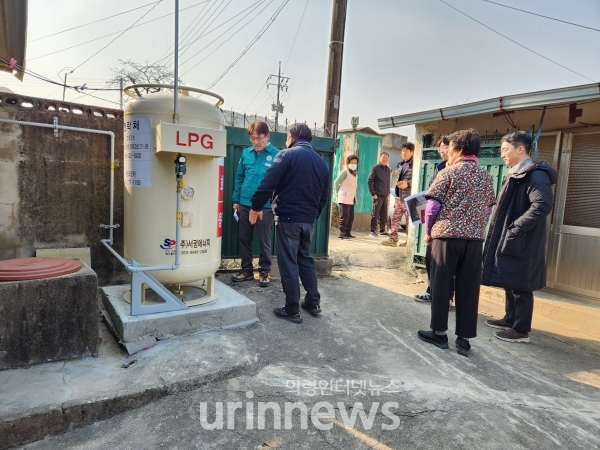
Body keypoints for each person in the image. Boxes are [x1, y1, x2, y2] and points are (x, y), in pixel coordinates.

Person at [417, 129, 496, 357]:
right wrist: (476, 228)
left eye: (449, 148)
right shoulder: (485, 176)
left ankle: (439, 334)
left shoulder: (448, 173)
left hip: (446, 237)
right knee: (469, 287)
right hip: (474, 240)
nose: (447, 153)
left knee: (442, 285)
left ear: (459, 150)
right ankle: (464, 340)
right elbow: (488, 209)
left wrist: (430, 232)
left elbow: (432, 207)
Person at [249, 123, 330, 324]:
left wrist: (255, 206)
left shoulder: (287, 155)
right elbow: (323, 197)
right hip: (308, 221)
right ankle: (313, 302)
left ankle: (292, 309)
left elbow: (268, 183)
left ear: (292, 137)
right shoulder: (321, 162)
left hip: (288, 219)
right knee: (305, 259)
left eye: (287, 137)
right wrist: (313, 215)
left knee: (288, 263)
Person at [482, 131, 557, 343]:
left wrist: (515, 228)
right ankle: (510, 318)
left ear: (520, 149)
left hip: (522, 239)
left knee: (521, 283)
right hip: (513, 236)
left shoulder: (535, 174)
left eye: (505, 150)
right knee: (510, 276)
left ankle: (521, 330)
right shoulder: (516, 172)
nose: (502, 154)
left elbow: (542, 205)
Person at [231, 120, 279, 287]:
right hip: (244, 203)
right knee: (244, 237)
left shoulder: (276, 155)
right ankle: (247, 270)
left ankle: (265, 270)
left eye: (259, 138)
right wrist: (236, 199)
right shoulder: (246, 154)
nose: (256, 142)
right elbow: (239, 177)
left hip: (265, 206)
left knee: (264, 239)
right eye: (252, 138)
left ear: (267, 136)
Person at [415, 136, 453, 303]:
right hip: (437, 221)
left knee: (443, 263)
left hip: (445, 224)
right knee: (431, 259)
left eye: (445, 147)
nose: (441, 151)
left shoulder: (453, 170)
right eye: (440, 148)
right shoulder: (440, 168)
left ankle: (442, 296)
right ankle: (432, 291)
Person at [382, 142, 414, 246]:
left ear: (412, 152)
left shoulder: (415, 164)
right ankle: (393, 239)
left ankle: (409, 242)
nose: (404, 153)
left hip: (409, 197)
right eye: (402, 151)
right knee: (395, 219)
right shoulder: (401, 164)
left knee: (409, 221)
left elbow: (417, 179)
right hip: (399, 197)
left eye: (406, 151)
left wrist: (408, 184)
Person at [334, 155, 359, 240]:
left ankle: (348, 233)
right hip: (344, 197)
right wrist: (339, 193)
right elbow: (336, 182)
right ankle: (342, 233)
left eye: (355, 163)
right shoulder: (345, 172)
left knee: (350, 217)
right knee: (344, 216)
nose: (354, 164)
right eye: (352, 163)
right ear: (348, 163)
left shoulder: (355, 174)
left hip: (351, 198)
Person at [367, 152, 391, 237]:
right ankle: (372, 230)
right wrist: (373, 193)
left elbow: (388, 182)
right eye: (383, 158)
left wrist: (388, 193)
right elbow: (369, 181)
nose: (385, 159)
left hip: (385, 196)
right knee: (375, 213)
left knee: (383, 214)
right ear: (380, 158)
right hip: (377, 195)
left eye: (386, 158)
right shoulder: (375, 169)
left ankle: (382, 230)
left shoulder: (388, 169)